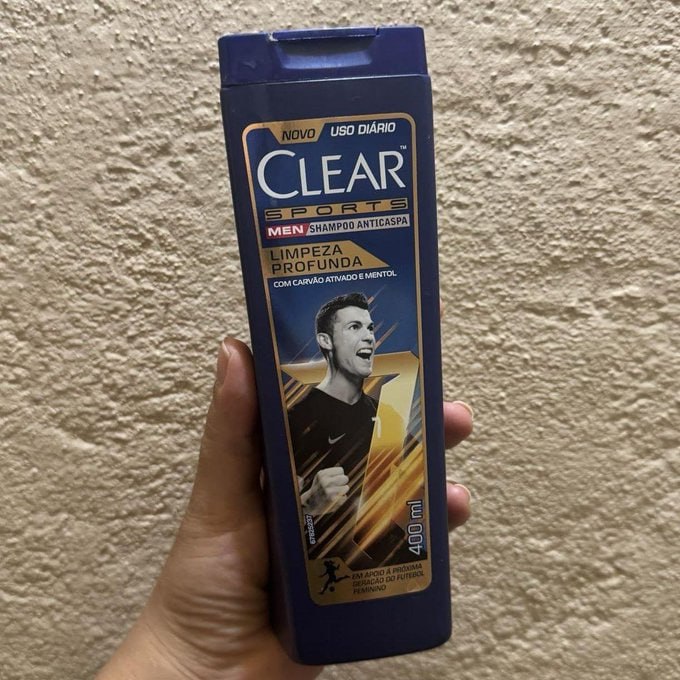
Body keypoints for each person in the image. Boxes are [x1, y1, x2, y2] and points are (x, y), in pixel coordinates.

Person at [97, 338, 473, 680]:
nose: (368, 335)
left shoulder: (383, 410)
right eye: (354, 326)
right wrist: (310, 506)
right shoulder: (297, 417)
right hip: (325, 579)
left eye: (370, 326)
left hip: (394, 563)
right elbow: (292, 501)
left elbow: (415, 478)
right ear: (326, 341)